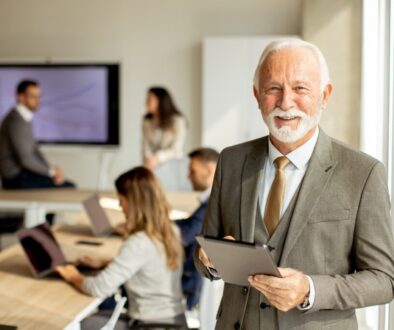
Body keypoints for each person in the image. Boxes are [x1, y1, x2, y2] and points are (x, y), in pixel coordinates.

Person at [194, 38, 394, 330]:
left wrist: (309, 290)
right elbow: (205, 254)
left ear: (325, 95)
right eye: (273, 88)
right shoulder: (231, 160)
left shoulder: (363, 173)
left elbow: (384, 280)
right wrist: (210, 261)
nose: (286, 102)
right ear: (256, 95)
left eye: (300, 88)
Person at [56, 167, 187, 329]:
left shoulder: (139, 242)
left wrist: (73, 276)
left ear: (134, 202)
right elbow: (151, 263)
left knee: (82, 324)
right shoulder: (170, 230)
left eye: (121, 200)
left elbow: (98, 288)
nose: (119, 205)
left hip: (149, 325)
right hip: (175, 321)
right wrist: (105, 263)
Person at [0, 80, 75, 189]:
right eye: (33, 97)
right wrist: (51, 172)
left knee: (64, 183)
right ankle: (94, 206)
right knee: (69, 186)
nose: (38, 101)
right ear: (21, 97)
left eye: (39, 96)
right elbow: (26, 160)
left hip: (23, 173)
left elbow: (34, 150)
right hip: (14, 177)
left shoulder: (25, 117)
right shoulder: (15, 121)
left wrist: (51, 170)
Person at [175, 147, 219, 310]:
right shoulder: (211, 200)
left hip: (187, 289)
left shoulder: (214, 202)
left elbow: (186, 233)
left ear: (208, 170)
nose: (188, 176)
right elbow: (190, 223)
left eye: (192, 171)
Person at [142, 87, 187, 169]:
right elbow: (145, 146)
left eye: (149, 99)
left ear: (160, 101)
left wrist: (158, 157)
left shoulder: (178, 121)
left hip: (173, 166)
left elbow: (177, 150)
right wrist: (148, 157)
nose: (146, 102)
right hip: (152, 167)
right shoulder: (146, 121)